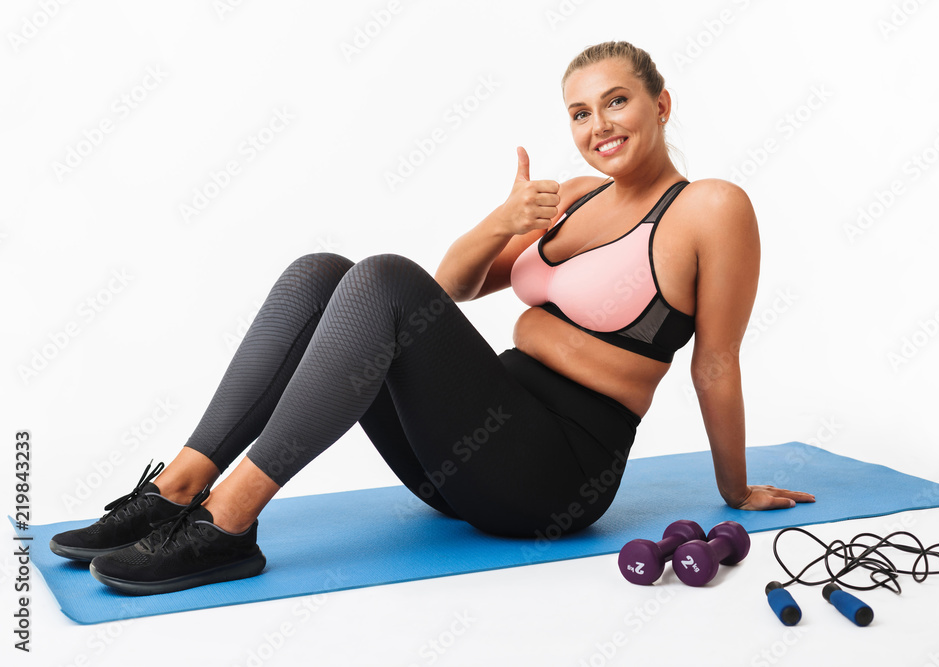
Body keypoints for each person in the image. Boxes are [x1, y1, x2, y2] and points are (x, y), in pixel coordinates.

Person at [50, 41, 814, 595]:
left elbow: (715, 361)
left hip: (555, 476)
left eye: (616, 100)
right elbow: (448, 291)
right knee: (323, 275)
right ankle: (181, 487)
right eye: (579, 111)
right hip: (470, 455)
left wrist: (736, 489)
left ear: (661, 102)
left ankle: (228, 524)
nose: (598, 124)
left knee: (381, 278)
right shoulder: (575, 194)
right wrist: (501, 219)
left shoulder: (710, 208)